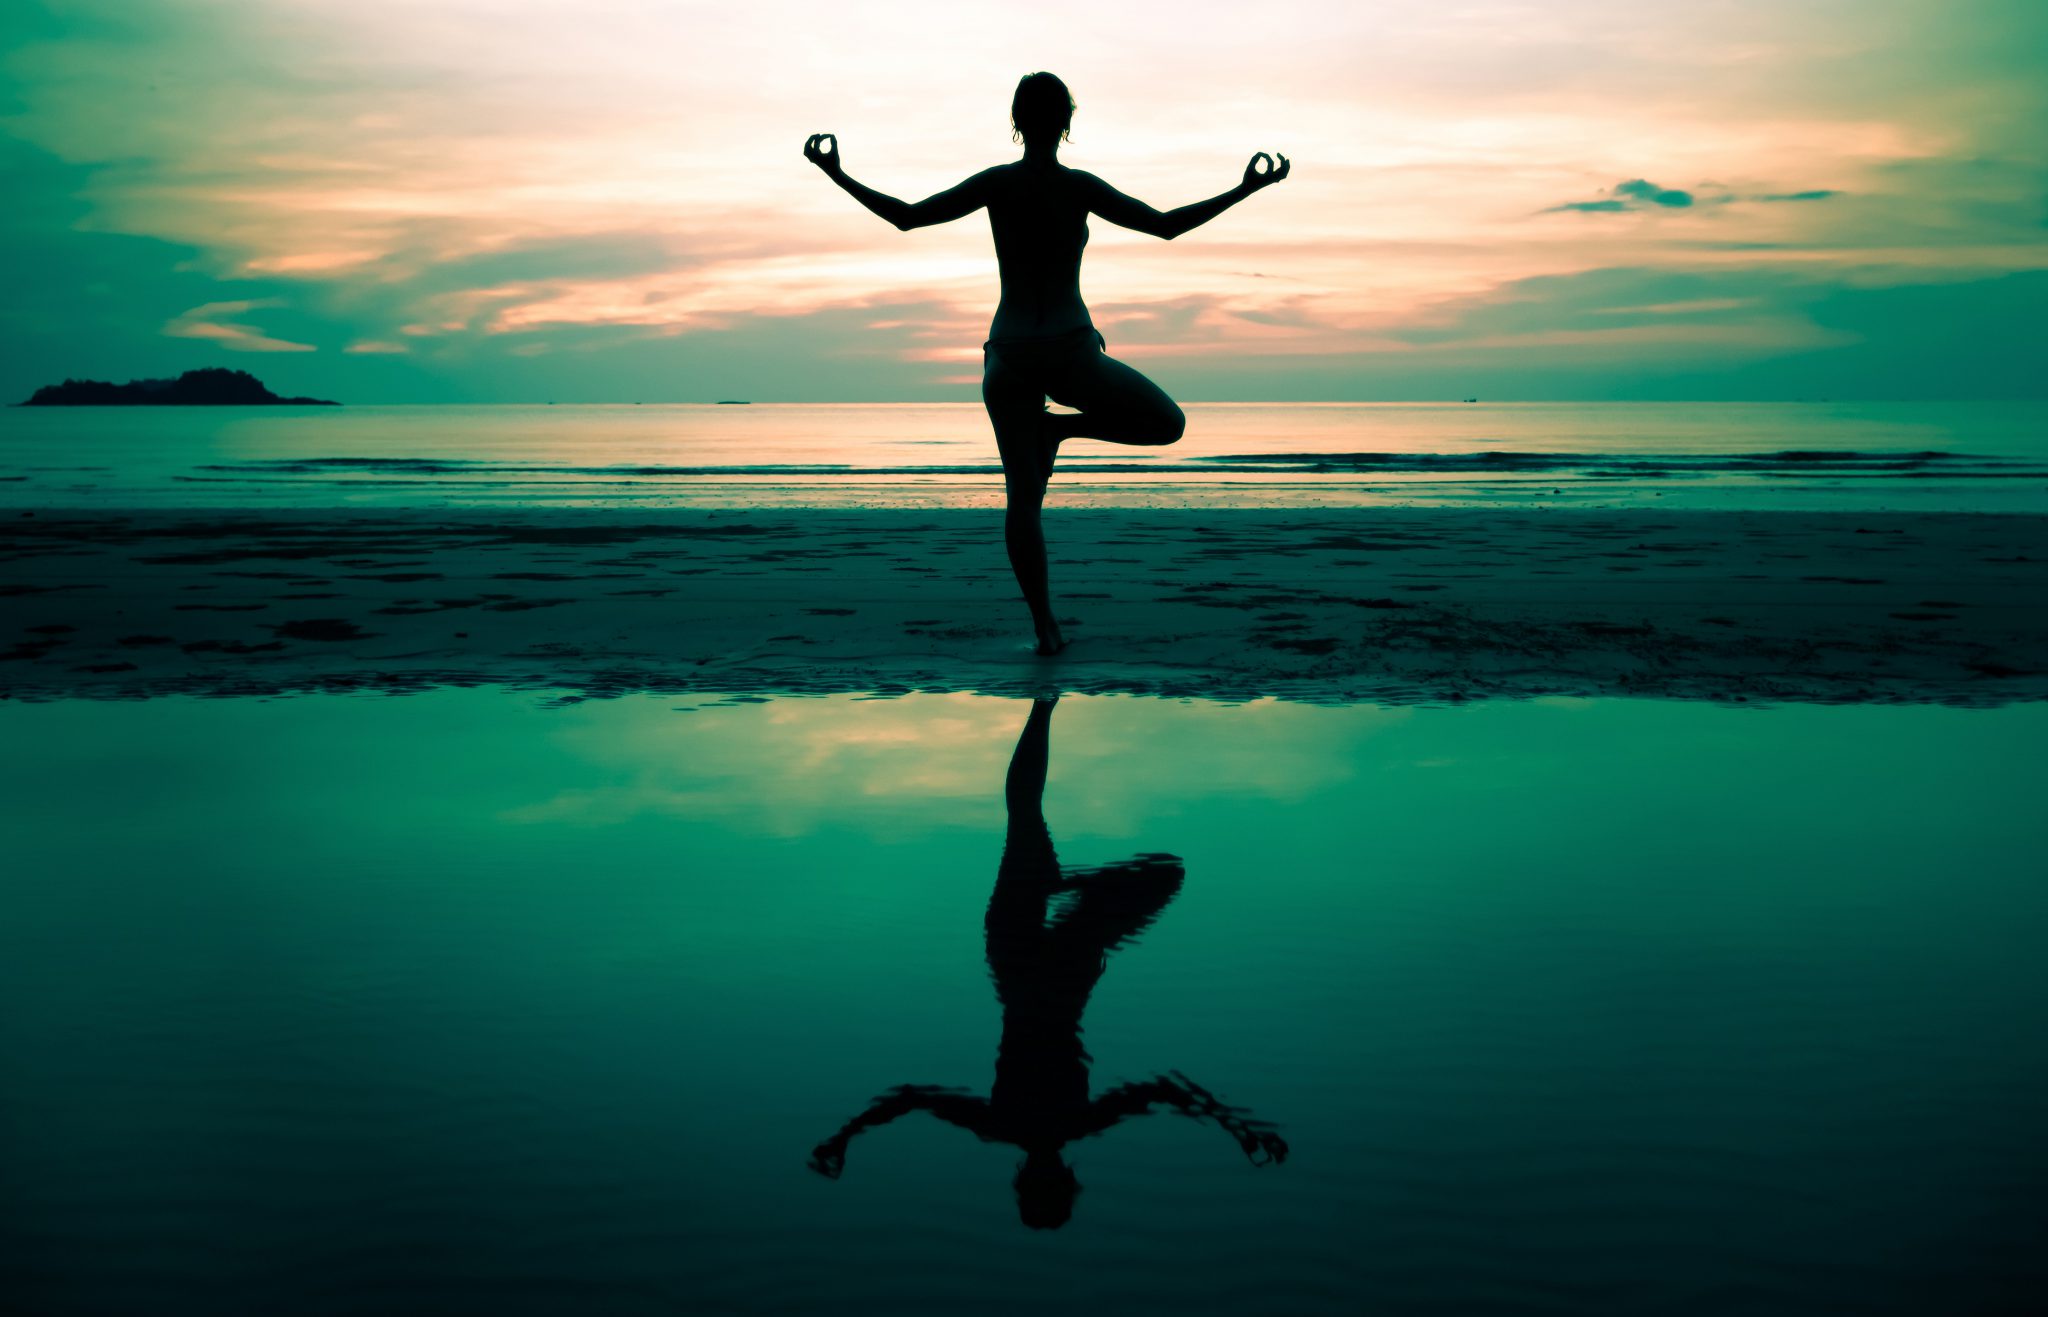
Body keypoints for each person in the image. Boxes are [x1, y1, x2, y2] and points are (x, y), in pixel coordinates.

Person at [803, 72, 1290, 654]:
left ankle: (1045, 627)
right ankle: (1061, 427)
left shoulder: (997, 184)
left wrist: (835, 175)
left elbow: (907, 216)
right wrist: (1245, 189)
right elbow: (1165, 226)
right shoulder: (1078, 187)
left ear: (1016, 121)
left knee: (1023, 498)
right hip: (1067, 349)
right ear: (1066, 122)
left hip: (1007, 355)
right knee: (1168, 424)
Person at [806, 698, 1288, 1230]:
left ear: (1066, 1181)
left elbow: (1163, 1089)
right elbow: (911, 1098)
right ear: (1028, 1181)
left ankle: (1047, 723)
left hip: (1061, 974)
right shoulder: (1009, 1125)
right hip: (1025, 966)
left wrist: (1234, 1124)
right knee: (1034, 819)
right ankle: (1045, 714)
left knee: (1157, 868)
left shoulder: (1068, 1124)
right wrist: (845, 1134)